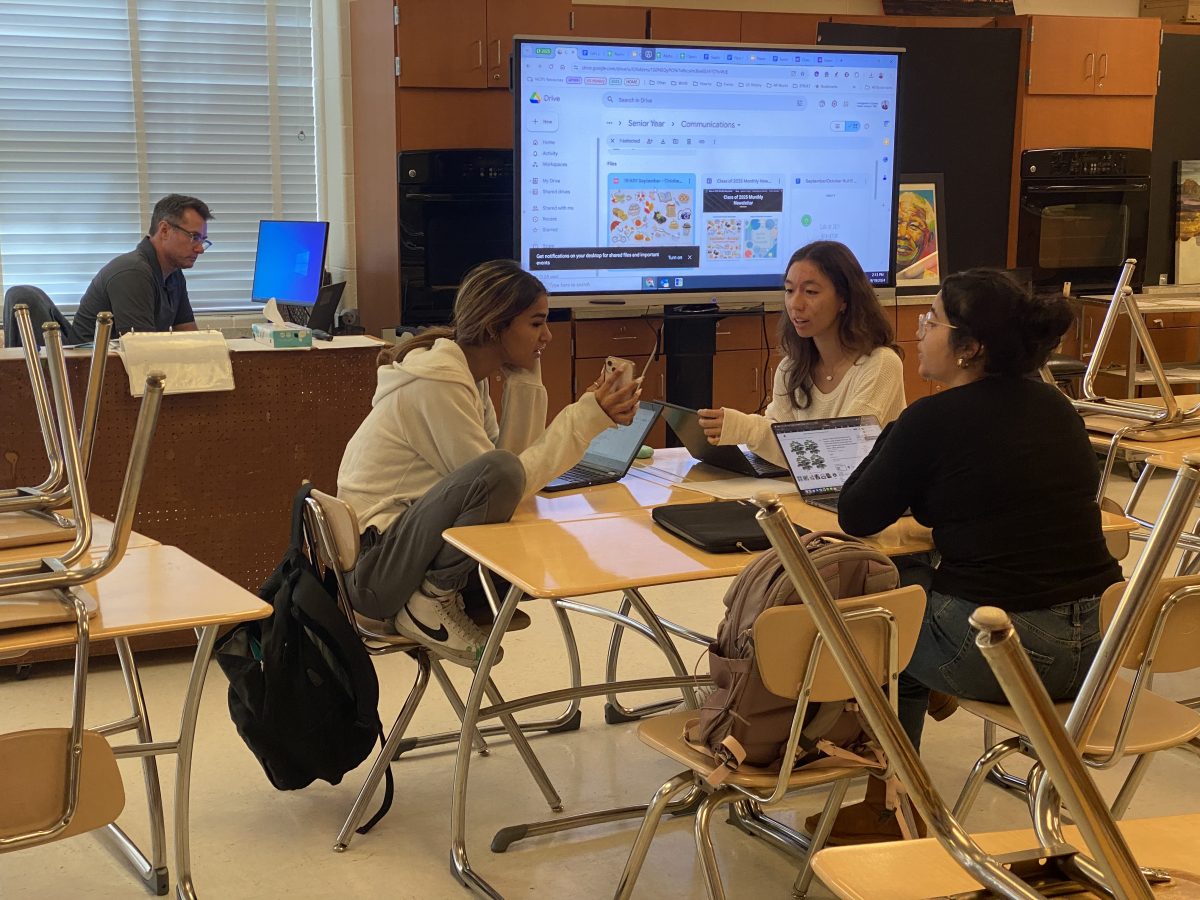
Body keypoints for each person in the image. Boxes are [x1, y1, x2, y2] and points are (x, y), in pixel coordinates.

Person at [826, 268, 1121, 842]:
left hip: (1007, 647)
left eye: (932, 319)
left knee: (886, 620)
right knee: (919, 578)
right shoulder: (1057, 408)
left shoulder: (931, 419)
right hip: (1101, 648)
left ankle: (893, 809)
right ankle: (926, 708)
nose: (918, 329)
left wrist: (895, 430)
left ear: (970, 347)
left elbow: (854, 515)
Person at [336, 260, 640, 666]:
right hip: (378, 572)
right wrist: (584, 418)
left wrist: (526, 383)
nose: (547, 336)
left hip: (400, 549)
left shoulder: (467, 377)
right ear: (496, 327)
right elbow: (503, 477)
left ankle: (434, 596)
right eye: (536, 324)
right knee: (514, 513)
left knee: (531, 549)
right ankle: (430, 601)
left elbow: (511, 478)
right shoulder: (436, 385)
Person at [696, 240, 905, 464]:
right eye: (789, 290)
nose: (795, 303)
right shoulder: (791, 368)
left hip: (861, 497)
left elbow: (843, 450)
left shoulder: (881, 364)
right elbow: (783, 447)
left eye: (811, 292)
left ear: (844, 299)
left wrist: (747, 428)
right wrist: (739, 429)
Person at [72, 194, 211, 341]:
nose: (200, 249)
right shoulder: (133, 273)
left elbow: (190, 338)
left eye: (203, 240)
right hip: (90, 362)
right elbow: (143, 350)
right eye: (194, 237)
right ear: (164, 230)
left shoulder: (173, 273)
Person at [895, 190, 938, 279]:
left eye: (914, 226)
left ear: (929, 237)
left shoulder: (931, 279)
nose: (902, 234)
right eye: (897, 223)